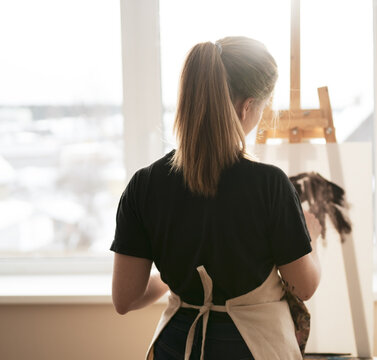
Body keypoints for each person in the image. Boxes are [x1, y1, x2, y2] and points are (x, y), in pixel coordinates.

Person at [110, 36, 322, 360]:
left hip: (177, 348)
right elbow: (304, 287)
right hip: (251, 349)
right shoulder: (269, 185)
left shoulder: (144, 185)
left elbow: (125, 298)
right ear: (247, 107)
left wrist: (180, 277)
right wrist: (312, 236)